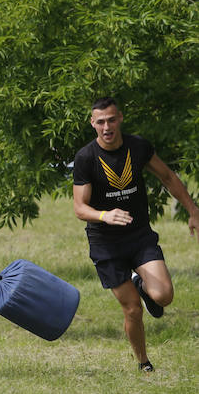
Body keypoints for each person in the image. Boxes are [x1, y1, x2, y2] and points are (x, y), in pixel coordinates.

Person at [72, 97, 199, 372]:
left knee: (164, 296)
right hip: (106, 243)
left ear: (120, 118)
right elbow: (80, 208)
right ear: (93, 123)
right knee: (133, 309)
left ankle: (141, 284)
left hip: (139, 235)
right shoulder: (85, 158)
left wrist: (193, 210)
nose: (107, 126)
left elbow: (167, 176)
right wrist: (105, 215)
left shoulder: (138, 146)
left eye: (112, 119)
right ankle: (144, 363)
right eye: (101, 121)